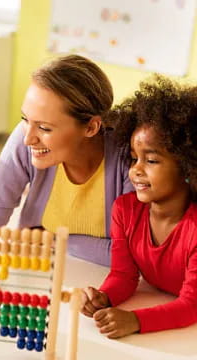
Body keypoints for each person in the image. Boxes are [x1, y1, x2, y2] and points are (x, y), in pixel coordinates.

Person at [0, 54, 133, 267]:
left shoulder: (128, 159)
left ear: (91, 127)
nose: (28, 138)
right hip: (38, 274)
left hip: (103, 285)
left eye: (45, 128)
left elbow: (129, 254)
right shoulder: (24, 139)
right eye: (25, 119)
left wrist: (52, 240)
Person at [80, 76, 197, 338]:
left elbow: (190, 306)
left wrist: (134, 320)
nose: (136, 170)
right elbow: (123, 274)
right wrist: (104, 296)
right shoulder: (125, 210)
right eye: (134, 159)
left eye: (152, 160)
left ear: (187, 167)